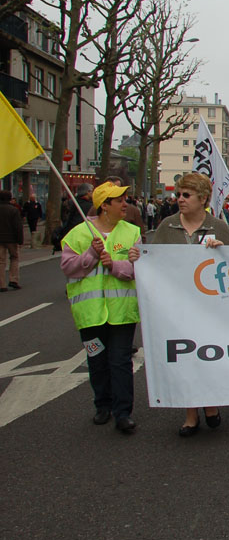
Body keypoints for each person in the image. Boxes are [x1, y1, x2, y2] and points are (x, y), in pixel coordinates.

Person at [152, 173, 229, 436]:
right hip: (176, 306)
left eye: (186, 195)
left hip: (209, 306)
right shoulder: (167, 226)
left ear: (203, 199)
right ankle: (190, 414)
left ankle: (210, 405)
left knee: (208, 357)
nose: (179, 199)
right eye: (178, 194)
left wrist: (222, 251)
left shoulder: (218, 227)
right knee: (185, 358)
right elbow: (154, 261)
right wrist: (138, 257)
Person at [59, 182, 141, 434]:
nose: (125, 204)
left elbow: (139, 268)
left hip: (121, 312)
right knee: (96, 360)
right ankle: (102, 405)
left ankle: (123, 412)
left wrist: (114, 266)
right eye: (119, 200)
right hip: (90, 314)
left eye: (125, 199)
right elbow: (68, 268)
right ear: (104, 206)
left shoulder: (132, 232)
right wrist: (91, 256)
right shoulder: (77, 234)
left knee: (120, 361)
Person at [53, 183, 94, 252]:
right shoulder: (89, 206)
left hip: (70, 233)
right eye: (92, 191)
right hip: (80, 234)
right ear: (88, 192)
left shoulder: (71, 202)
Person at [0, 190, 23, 291]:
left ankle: (1, 284)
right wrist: (20, 239)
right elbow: (18, 227)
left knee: (1, 261)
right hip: (12, 239)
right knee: (14, 258)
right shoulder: (14, 210)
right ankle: (13, 279)